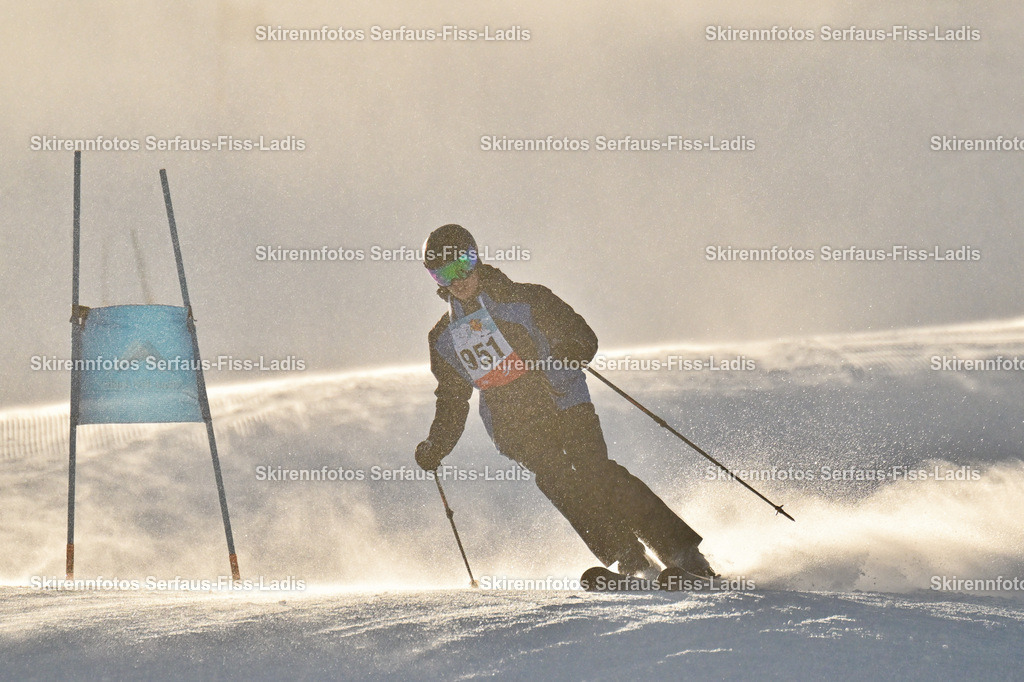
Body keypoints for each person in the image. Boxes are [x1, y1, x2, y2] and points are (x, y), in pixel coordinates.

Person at [414, 224, 714, 578]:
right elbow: (451, 400)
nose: (458, 278)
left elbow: (581, 334)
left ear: (476, 258)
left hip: (562, 400)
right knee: (557, 479)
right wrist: (438, 444)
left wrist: (571, 350)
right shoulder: (444, 338)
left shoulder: (526, 299)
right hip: (512, 423)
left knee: (594, 472)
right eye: (443, 272)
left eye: (463, 264)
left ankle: (681, 552)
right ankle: (629, 558)